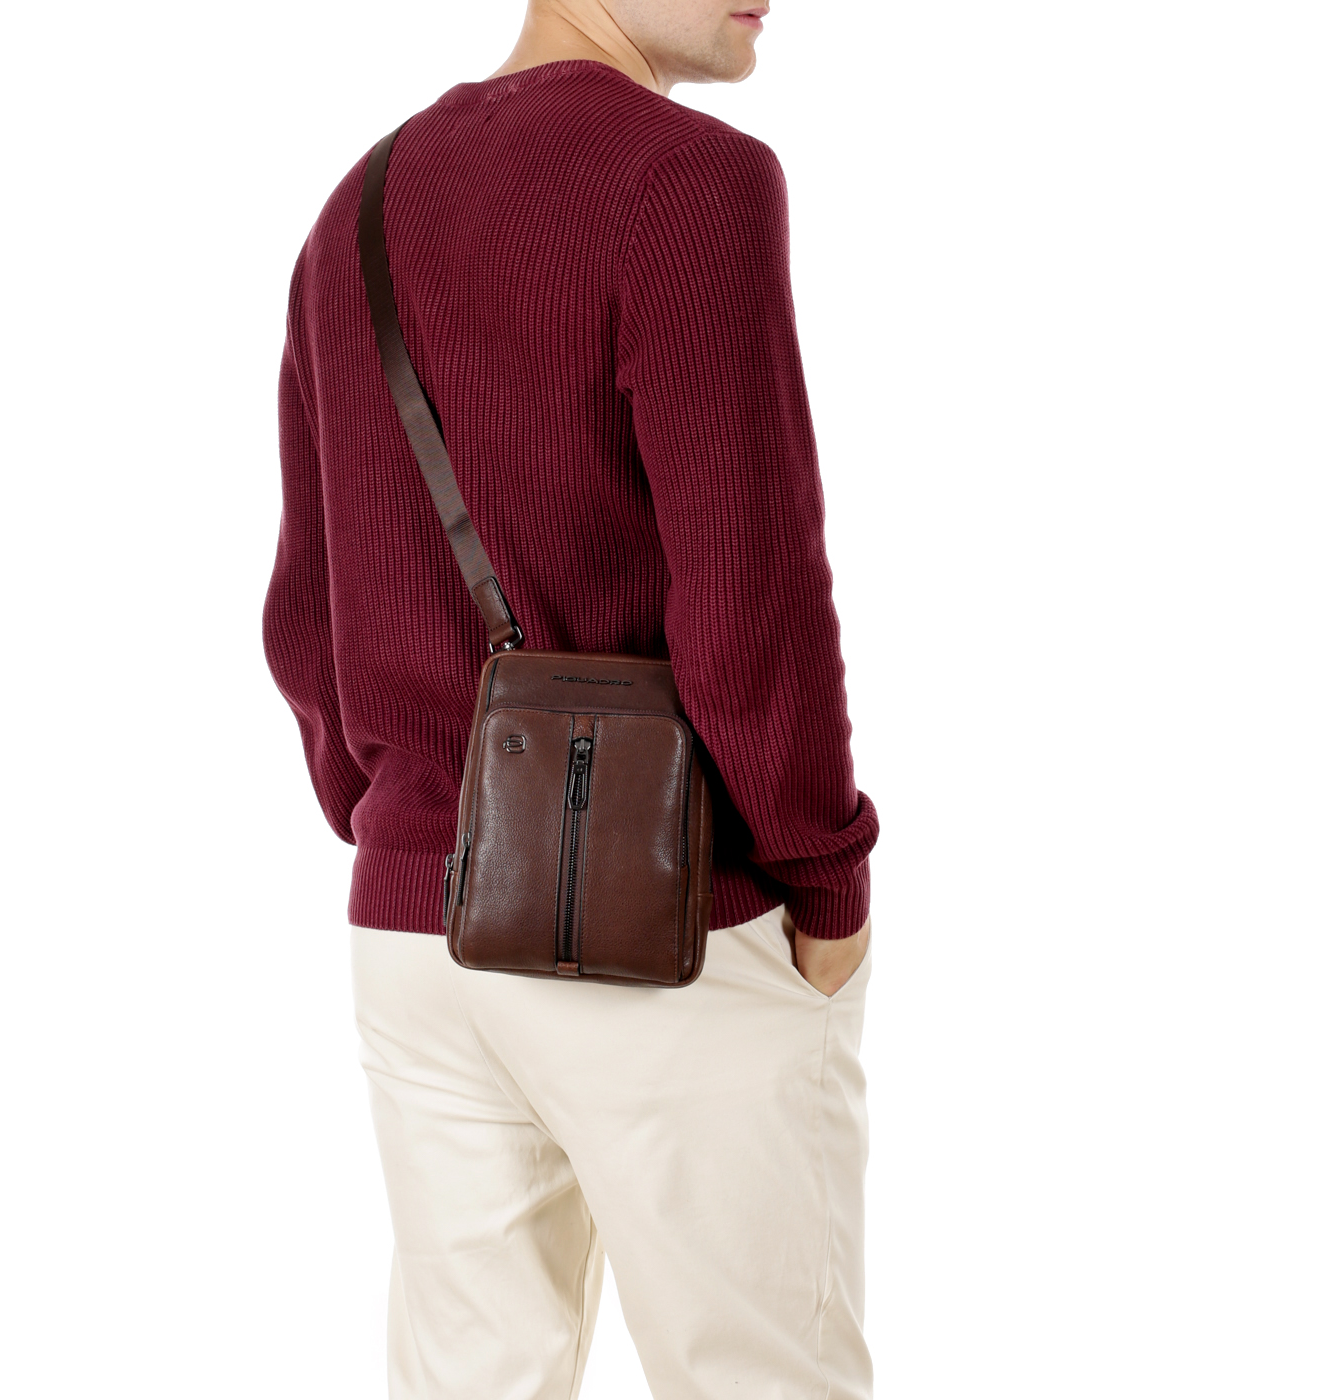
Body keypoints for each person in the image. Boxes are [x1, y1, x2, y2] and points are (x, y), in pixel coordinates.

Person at [262, 1, 879, 1394]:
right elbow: (753, 593)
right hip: (664, 917)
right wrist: (826, 877)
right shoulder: (691, 181)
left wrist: (416, 823)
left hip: (420, 936)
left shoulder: (356, 204)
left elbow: (305, 612)